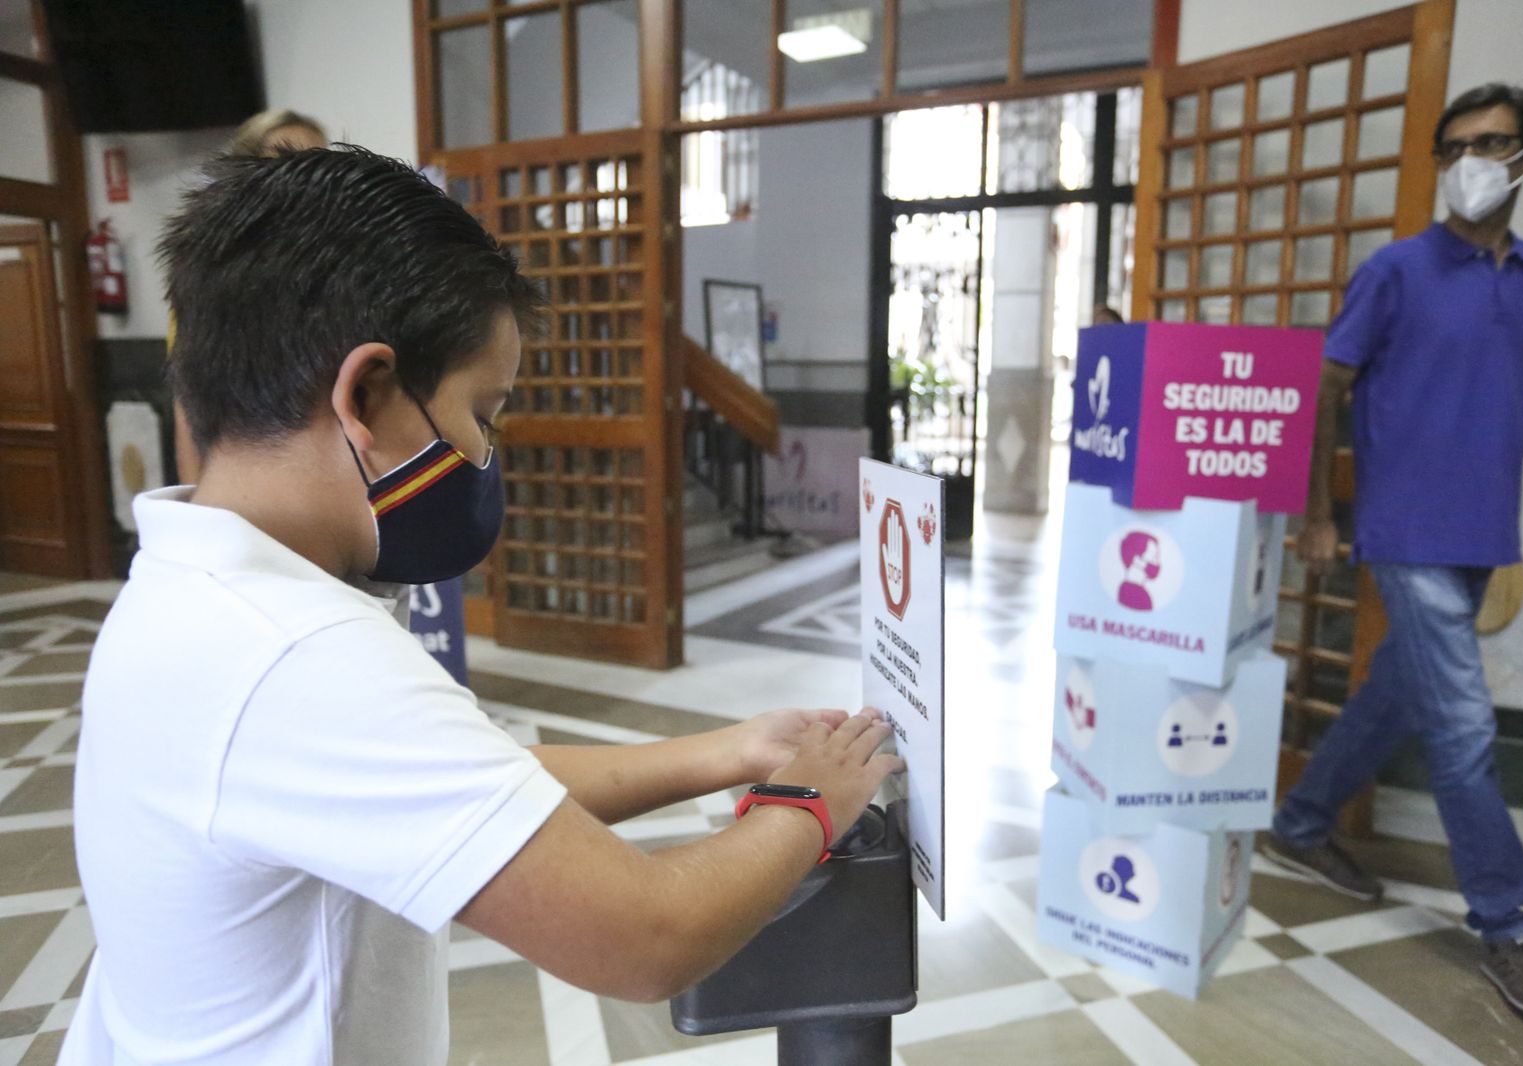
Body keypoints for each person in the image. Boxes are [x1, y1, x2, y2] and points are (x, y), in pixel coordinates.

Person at [60, 147, 903, 1063]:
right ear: (368, 395)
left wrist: (729, 752)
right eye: (484, 412)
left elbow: (476, 785)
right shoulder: (297, 655)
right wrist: (810, 807)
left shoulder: (193, 584)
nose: (488, 452)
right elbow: (648, 936)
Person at [1261, 83, 1523, 1023]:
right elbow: (1328, 384)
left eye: (1491, 143)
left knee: (1398, 693)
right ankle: (1509, 926)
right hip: (1403, 528)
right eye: (1453, 149)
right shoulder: (1397, 272)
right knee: (1461, 724)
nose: (1471, 163)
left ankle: (1300, 822)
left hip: (1480, 533)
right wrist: (1319, 511)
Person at [171, 109, 330, 487]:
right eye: (284, 160)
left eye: (317, 162)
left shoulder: (343, 260)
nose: (301, 176)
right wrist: (200, 507)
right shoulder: (211, 266)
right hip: (247, 479)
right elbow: (188, 401)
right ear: (248, 170)